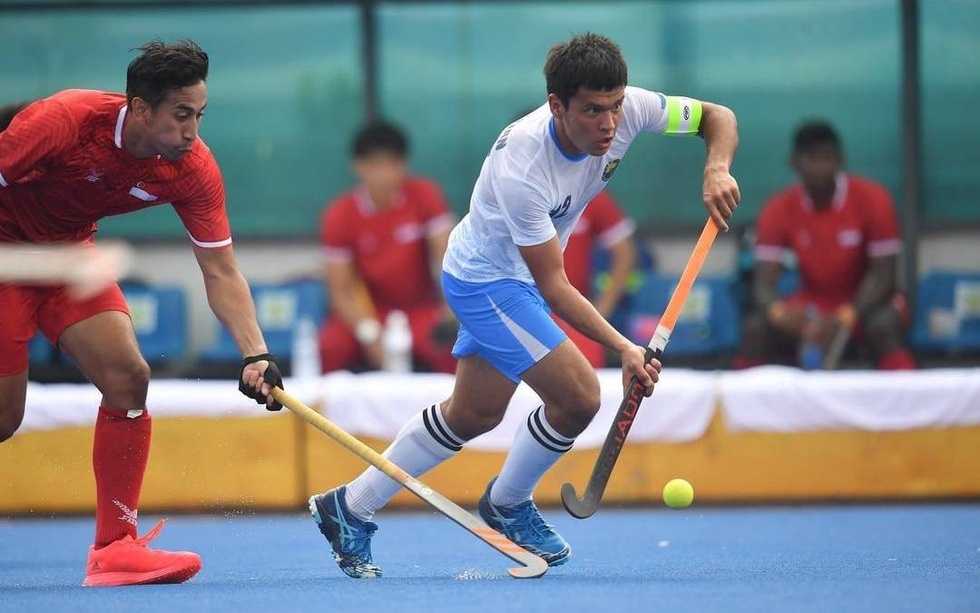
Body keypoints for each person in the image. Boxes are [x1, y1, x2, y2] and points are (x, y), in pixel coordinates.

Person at [306, 32, 739, 578]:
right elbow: (553, 286)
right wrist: (626, 348)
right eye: (592, 111)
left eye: (615, 106)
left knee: (473, 414)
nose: (609, 124)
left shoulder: (631, 109)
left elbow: (717, 118)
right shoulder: (523, 168)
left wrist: (716, 168)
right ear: (557, 105)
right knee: (578, 397)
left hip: (512, 278)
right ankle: (508, 503)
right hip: (487, 280)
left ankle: (348, 507)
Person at [0, 39, 285, 587]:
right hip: (5, 256)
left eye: (199, 115)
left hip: (69, 259)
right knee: (3, 420)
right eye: (181, 115)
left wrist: (256, 352)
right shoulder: (63, 122)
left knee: (128, 378)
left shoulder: (192, 168)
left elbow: (221, 271)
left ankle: (113, 549)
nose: (192, 131)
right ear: (140, 109)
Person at [733, 120, 916, 370]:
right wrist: (780, 313)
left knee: (883, 324)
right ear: (794, 162)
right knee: (755, 328)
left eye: (827, 158)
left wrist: (847, 315)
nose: (820, 167)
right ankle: (738, 395)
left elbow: (885, 278)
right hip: (811, 305)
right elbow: (763, 283)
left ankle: (906, 391)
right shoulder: (778, 208)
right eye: (811, 158)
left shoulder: (874, 199)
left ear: (840, 160)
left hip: (864, 303)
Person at [317, 120, 458, 374]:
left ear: (404, 165)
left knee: (455, 345)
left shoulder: (425, 195)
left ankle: (457, 401)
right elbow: (340, 291)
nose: (383, 175)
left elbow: (448, 258)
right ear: (357, 167)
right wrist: (368, 332)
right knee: (330, 347)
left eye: (391, 164)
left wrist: (452, 307)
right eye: (374, 166)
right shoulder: (339, 214)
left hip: (420, 310)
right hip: (370, 311)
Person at [559, 189, 637, 367]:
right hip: (520, 309)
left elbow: (625, 254)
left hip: (573, 315)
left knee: (584, 375)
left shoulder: (588, 191)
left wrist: (600, 311)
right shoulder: (516, 188)